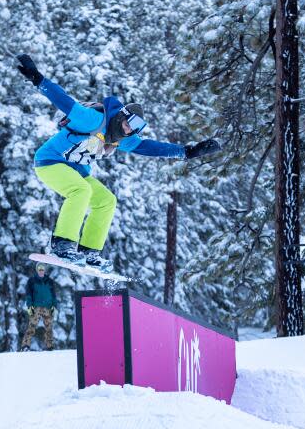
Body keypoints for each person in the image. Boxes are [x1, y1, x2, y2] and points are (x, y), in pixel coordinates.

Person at [16, 54, 221, 272]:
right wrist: (38, 79)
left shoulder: (122, 138)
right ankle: (62, 245)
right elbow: (65, 102)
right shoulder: (95, 120)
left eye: (136, 128)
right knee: (80, 191)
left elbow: (149, 147)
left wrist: (187, 152)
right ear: (121, 116)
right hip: (50, 161)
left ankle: (89, 252)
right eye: (129, 123)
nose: (129, 130)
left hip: (77, 171)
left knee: (106, 200)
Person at [21, 263, 58, 351]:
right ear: (37, 270)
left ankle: (50, 346)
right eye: (39, 269)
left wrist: (54, 306)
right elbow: (28, 295)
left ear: (44, 270)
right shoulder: (32, 281)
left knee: (49, 327)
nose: (41, 270)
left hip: (48, 307)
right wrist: (29, 306)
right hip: (36, 307)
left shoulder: (49, 281)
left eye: (42, 269)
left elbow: (54, 295)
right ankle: (25, 346)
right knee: (31, 326)